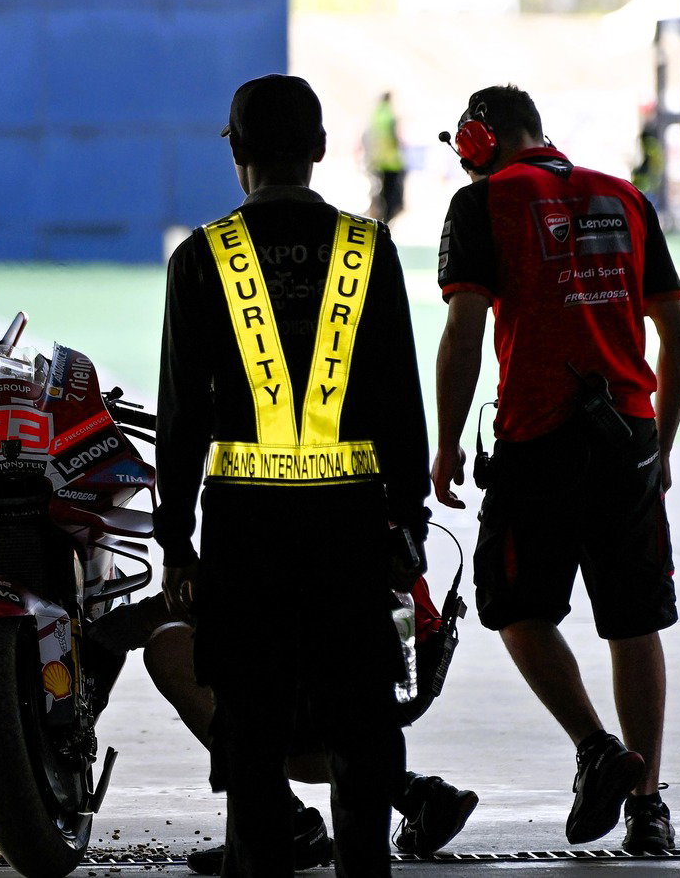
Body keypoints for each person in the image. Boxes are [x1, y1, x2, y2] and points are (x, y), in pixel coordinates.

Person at [155, 74, 431, 878]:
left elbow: (181, 421)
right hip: (352, 534)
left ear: (236, 152)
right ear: (317, 151)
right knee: (360, 733)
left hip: (245, 537)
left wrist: (176, 546)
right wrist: (406, 521)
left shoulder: (201, 259)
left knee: (253, 739)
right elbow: (399, 404)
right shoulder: (368, 250)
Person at [430, 85, 680, 853]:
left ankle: (596, 747)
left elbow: (464, 331)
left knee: (514, 606)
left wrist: (447, 441)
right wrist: (663, 445)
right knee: (635, 618)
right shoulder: (628, 198)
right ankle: (648, 808)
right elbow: (677, 335)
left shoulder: (484, 203)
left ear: (479, 139)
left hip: (537, 438)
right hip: (630, 439)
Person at [89, 590, 479, 873]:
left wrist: (103, 635)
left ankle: (281, 826)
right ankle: (418, 794)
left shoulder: (272, 484)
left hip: (357, 664)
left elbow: (201, 589)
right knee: (295, 749)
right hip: (411, 659)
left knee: (170, 648)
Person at [366, 92, 405, 226]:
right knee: (391, 195)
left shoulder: (375, 116)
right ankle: (386, 221)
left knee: (379, 193)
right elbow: (395, 139)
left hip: (376, 160)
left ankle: (378, 218)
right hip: (391, 162)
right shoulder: (390, 117)